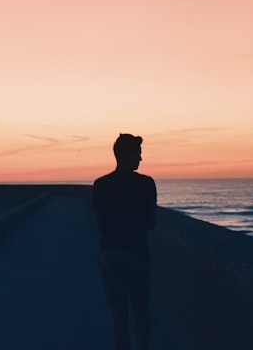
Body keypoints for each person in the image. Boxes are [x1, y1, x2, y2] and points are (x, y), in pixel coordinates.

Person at [93, 133, 157, 350]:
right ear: (128, 155)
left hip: (110, 253)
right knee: (141, 312)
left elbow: (100, 224)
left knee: (119, 316)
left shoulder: (100, 185)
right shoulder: (147, 184)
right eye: (138, 154)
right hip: (137, 254)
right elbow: (150, 222)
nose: (141, 159)